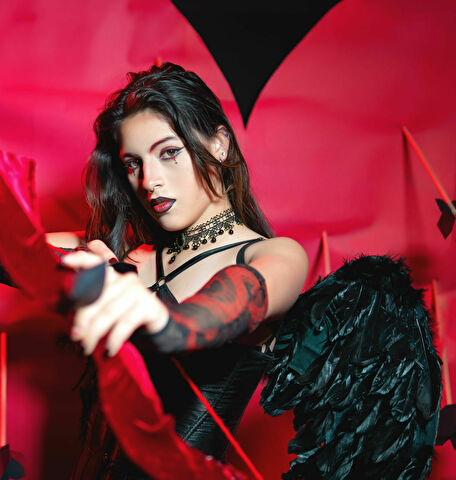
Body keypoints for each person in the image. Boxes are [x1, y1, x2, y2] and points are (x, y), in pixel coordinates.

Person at [55, 62, 308, 479]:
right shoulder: (134, 259)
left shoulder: (273, 255)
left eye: (169, 152)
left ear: (220, 144)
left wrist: (159, 318)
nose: (149, 181)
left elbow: (223, 307)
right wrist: (92, 259)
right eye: (133, 164)